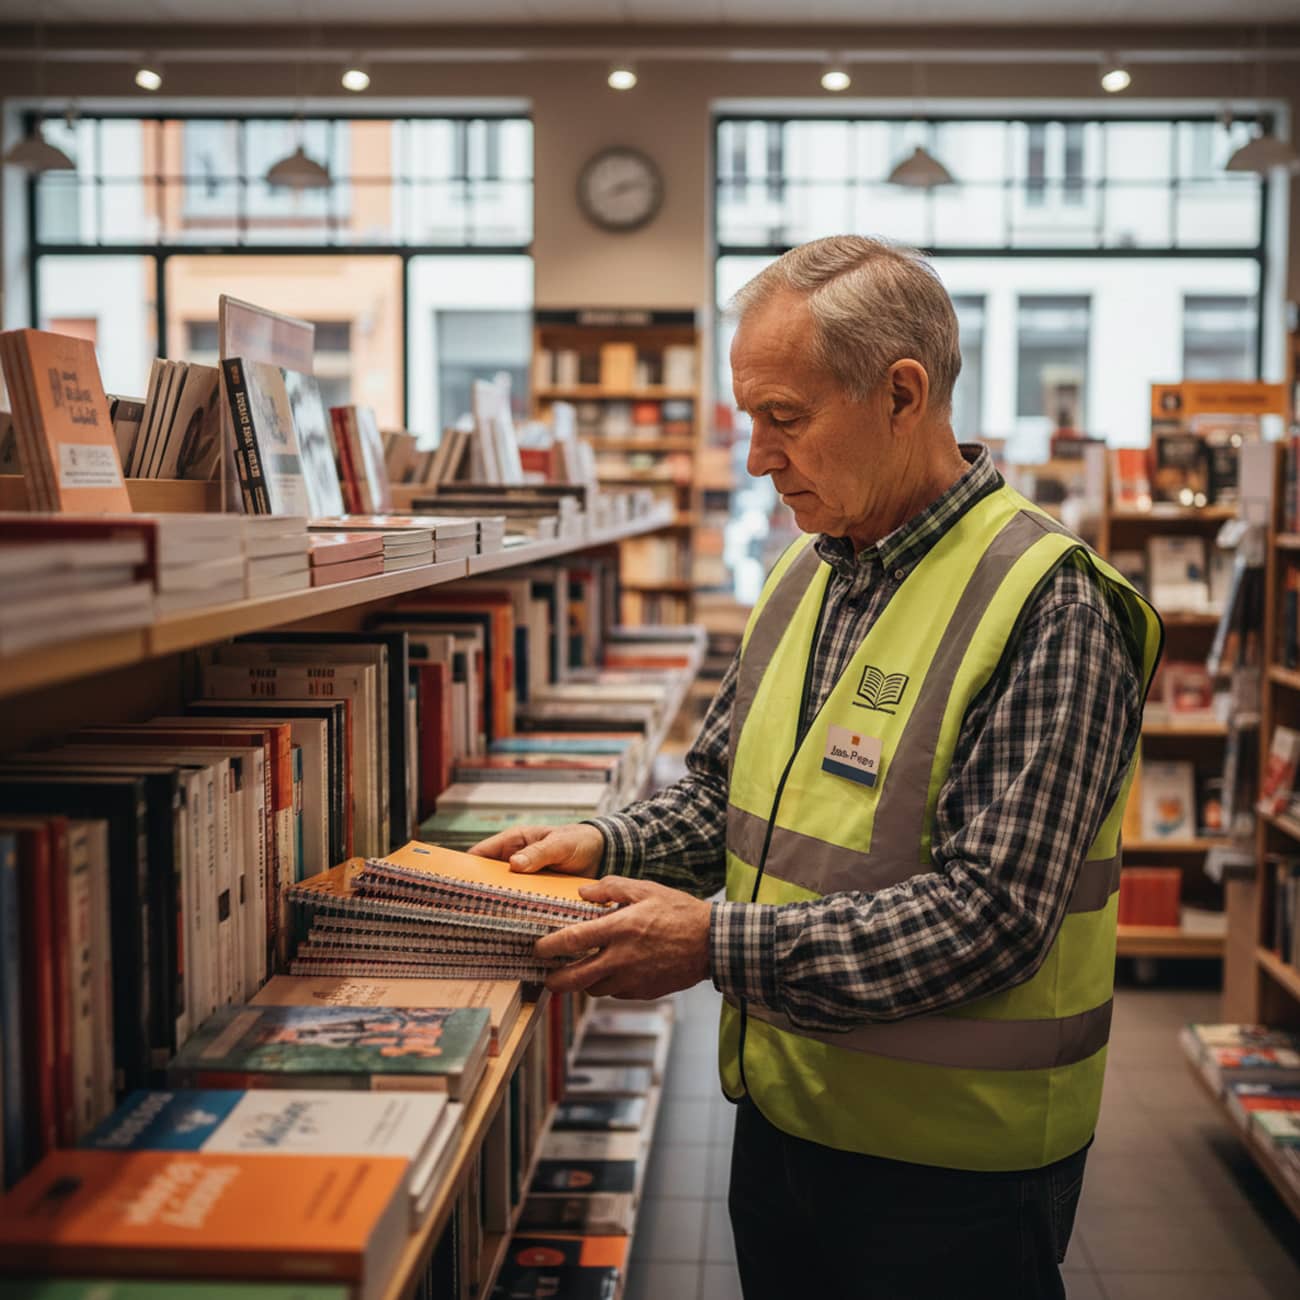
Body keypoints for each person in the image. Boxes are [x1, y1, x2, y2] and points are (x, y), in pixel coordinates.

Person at [471, 235, 1162, 1300]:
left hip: (951, 1175)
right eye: (750, 418)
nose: (757, 457)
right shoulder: (806, 571)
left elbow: (991, 917)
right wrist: (604, 844)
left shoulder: (1049, 604)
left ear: (902, 396)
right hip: (788, 1115)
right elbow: (723, 793)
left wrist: (710, 945)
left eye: (783, 418)